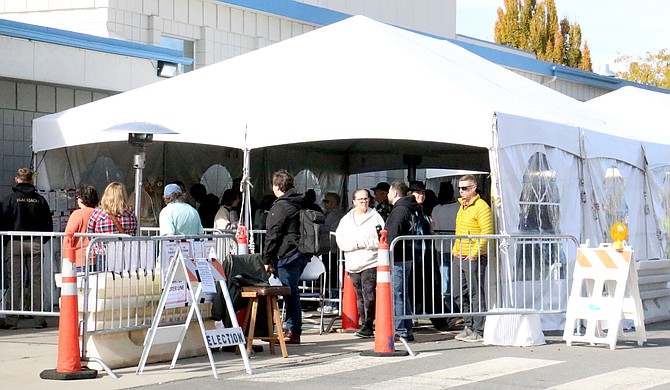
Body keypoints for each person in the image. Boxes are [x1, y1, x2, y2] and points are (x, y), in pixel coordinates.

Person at [1, 168, 53, 330]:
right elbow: (48, 224)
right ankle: (39, 319)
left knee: (15, 281)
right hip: (35, 242)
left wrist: (7, 241)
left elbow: (2, 221)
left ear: (17, 180)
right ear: (31, 181)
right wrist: (41, 240)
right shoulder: (40, 200)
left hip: (15, 242)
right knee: (37, 281)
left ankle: (11, 320)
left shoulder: (10, 199)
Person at [262, 170, 310, 344]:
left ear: (276, 186)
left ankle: (292, 331)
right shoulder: (299, 202)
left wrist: (266, 259)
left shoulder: (281, 206)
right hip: (300, 252)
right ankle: (292, 329)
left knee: (290, 293)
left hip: (287, 254)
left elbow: (272, 234)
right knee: (292, 291)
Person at [335, 189, 385, 338]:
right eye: (361, 199)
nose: (364, 202)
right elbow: (341, 240)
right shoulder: (346, 220)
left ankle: (368, 323)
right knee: (359, 295)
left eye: (366, 199)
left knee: (368, 293)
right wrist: (355, 245)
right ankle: (365, 323)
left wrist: (364, 243)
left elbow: (381, 238)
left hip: (370, 261)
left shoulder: (376, 217)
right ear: (354, 201)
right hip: (353, 262)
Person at [452, 174, 493, 343]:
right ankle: (468, 326)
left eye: (465, 188)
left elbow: (487, 233)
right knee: (458, 293)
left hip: (473, 257)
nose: (461, 191)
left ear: (474, 188)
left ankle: (479, 329)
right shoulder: (463, 206)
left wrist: (475, 253)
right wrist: (456, 251)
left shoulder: (481, 206)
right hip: (459, 254)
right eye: (460, 188)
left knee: (475, 293)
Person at [384, 181, 419, 341]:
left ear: (395, 193)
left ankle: (401, 330)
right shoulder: (411, 209)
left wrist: (385, 253)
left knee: (397, 294)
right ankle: (406, 329)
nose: (388, 195)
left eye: (389, 192)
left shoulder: (399, 210)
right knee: (403, 294)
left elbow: (392, 235)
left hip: (398, 257)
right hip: (406, 256)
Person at [432, 182, 460, 296]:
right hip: (457, 247)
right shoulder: (459, 207)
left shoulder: (436, 209)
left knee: (445, 277)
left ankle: (446, 301)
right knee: (457, 277)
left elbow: (433, 226)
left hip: (441, 247)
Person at [64, 185, 99, 270]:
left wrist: (65, 257)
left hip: (79, 258)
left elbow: (69, 237)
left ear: (81, 199)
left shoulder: (77, 214)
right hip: (97, 258)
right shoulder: (100, 214)